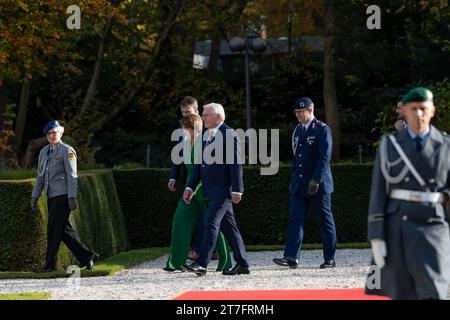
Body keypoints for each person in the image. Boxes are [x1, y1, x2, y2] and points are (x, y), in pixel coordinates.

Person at [365, 87, 450, 300]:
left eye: (423, 109)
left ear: (432, 111)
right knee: (401, 292)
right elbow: (378, 193)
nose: (419, 114)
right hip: (398, 227)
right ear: (404, 112)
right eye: (414, 109)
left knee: (434, 290)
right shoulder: (389, 145)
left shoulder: (446, 145)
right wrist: (376, 236)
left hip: (434, 225)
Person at [181, 103, 250, 276]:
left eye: (206, 115)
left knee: (210, 222)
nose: (203, 118)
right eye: (203, 115)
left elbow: (235, 163)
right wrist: (190, 186)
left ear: (218, 117)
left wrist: (237, 189)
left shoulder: (229, 134)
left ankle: (201, 263)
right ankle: (243, 263)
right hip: (211, 189)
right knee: (229, 228)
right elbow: (199, 165)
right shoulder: (206, 135)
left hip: (224, 190)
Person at [273, 97, 337, 269]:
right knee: (295, 219)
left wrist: (316, 179)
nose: (299, 115)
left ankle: (329, 258)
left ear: (311, 110)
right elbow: (297, 159)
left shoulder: (322, 129)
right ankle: (291, 256)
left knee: (325, 221)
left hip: (318, 185)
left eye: (302, 112)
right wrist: (293, 181)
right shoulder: (298, 131)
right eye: (297, 112)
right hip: (300, 185)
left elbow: (324, 157)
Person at [165, 113, 232, 272]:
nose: (182, 132)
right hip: (189, 191)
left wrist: (195, 188)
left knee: (215, 226)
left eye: (184, 129)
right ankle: (175, 263)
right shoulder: (186, 145)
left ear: (193, 129)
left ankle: (226, 262)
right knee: (179, 221)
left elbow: (209, 171)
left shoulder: (207, 142)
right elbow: (185, 168)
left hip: (207, 192)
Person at [31, 120, 98, 273]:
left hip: (63, 196)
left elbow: (72, 175)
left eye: (54, 132)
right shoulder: (44, 152)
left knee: (53, 230)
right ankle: (88, 256)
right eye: (49, 133)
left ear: (60, 133)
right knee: (63, 231)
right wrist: (34, 196)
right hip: (51, 196)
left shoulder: (67, 151)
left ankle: (49, 266)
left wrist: (72, 197)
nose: (51, 135)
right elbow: (40, 176)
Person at [167, 96, 217, 261]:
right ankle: (202, 250)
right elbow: (178, 154)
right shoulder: (183, 129)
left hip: (205, 181)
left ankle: (201, 250)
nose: (184, 116)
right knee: (194, 217)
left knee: (206, 217)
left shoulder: (208, 130)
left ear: (197, 111)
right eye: (182, 113)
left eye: (187, 112)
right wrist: (173, 176)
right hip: (190, 179)